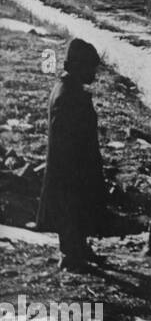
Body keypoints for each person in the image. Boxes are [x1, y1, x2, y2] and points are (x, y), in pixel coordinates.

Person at [36, 38, 109, 273]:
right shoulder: (68, 95)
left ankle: (79, 247)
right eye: (90, 68)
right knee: (70, 208)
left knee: (79, 208)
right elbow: (67, 142)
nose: (94, 74)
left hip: (76, 166)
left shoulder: (69, 89)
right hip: (70, 169)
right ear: (78, 66)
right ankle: (70, 255)